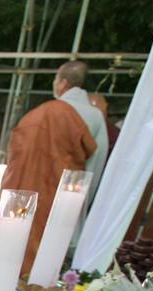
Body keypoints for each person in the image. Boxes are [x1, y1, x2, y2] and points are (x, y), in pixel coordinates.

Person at [0, 83, 96, 274]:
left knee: (9, 249)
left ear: (61, 83)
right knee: (37, 250)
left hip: (23, 192)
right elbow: (92, 169)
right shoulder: (91, 116)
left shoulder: (34, 115)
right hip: (56, 195)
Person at [52, 60, 108, 203]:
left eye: (55, 79)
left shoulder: (47, 111)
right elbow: (97, 160)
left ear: (63, 83)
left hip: (37, 192)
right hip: (74, 195)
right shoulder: (95, 116)